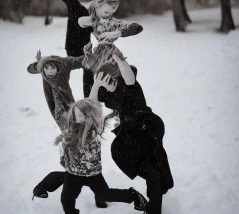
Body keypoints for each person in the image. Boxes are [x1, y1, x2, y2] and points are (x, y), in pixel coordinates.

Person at [89, 47, 174, 214]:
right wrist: (97, 84)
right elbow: (91, 103)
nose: (110, 82)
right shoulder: (107, 94)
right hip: (129, 133)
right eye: (106, 81)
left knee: (154, 166)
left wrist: (120, 61)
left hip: (147, 128)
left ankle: (155, 206)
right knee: (128, 157)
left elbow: (128, 77)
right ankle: (157, 182)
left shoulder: (128, 84)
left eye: (111, 78)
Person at [27, 50, 107, 208]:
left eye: (52, 68)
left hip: (74, 111)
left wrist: (93, 57)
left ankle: (48, 184)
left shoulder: (64, 64)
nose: (50, 71)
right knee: (80, 154)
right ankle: (98, 193)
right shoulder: (43, 69)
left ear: (57, 67)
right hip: (62, 115)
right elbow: (30, 69)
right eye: (46, 69)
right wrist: (38, 64)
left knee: (84, 151)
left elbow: (79, 60)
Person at [53, 97, 148, 214]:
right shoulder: (69, 131)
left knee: (106, 195)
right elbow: (65, 150)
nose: (83, 118)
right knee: (66, 200)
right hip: (73, 174)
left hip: (93, 174)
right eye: (79, 115)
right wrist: (65, 161)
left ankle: (133, 196)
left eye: (86, 115)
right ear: (74, 116)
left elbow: (100, 112)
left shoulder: (94, 130)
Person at [78, 0, 143, 73]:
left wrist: (116, 33)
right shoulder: (88, 14)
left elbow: (137, 27)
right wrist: (90, 21)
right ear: (98, 5)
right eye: (106, 12)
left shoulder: (112, 23)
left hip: (107, 60)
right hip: (87, 60)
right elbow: (79, 21)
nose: (108, 15)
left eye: (111, 13)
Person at [51, 0, 94, 98]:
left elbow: (70, 0)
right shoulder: (81, 11)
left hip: (76, 51)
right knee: (88, 68)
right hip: (77, 51)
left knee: (88, 69)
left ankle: (88, 98)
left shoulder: (81, 11)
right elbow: (70, 1)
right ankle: (88, 97)